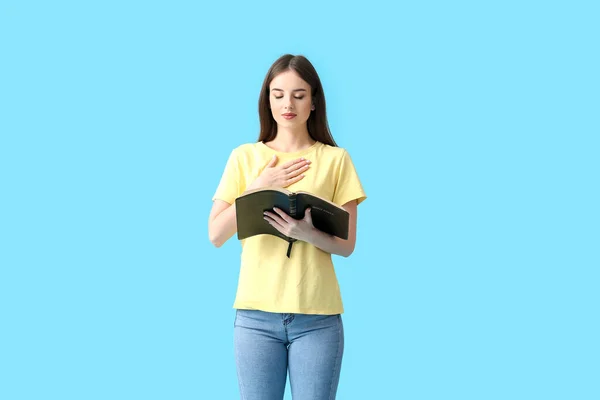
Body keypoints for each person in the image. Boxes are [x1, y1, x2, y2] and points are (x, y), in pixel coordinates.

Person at [208, 54, 367, 400]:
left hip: (318, 319)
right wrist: (258, 186)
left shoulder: (336, 160)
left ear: (313, 101)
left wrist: (307, 234)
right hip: (254, 319)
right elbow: (215, 234)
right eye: (278, 94)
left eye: (298, 94)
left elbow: (348, 244)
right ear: (267, 100)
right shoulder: (244, 158)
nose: (287, 104)